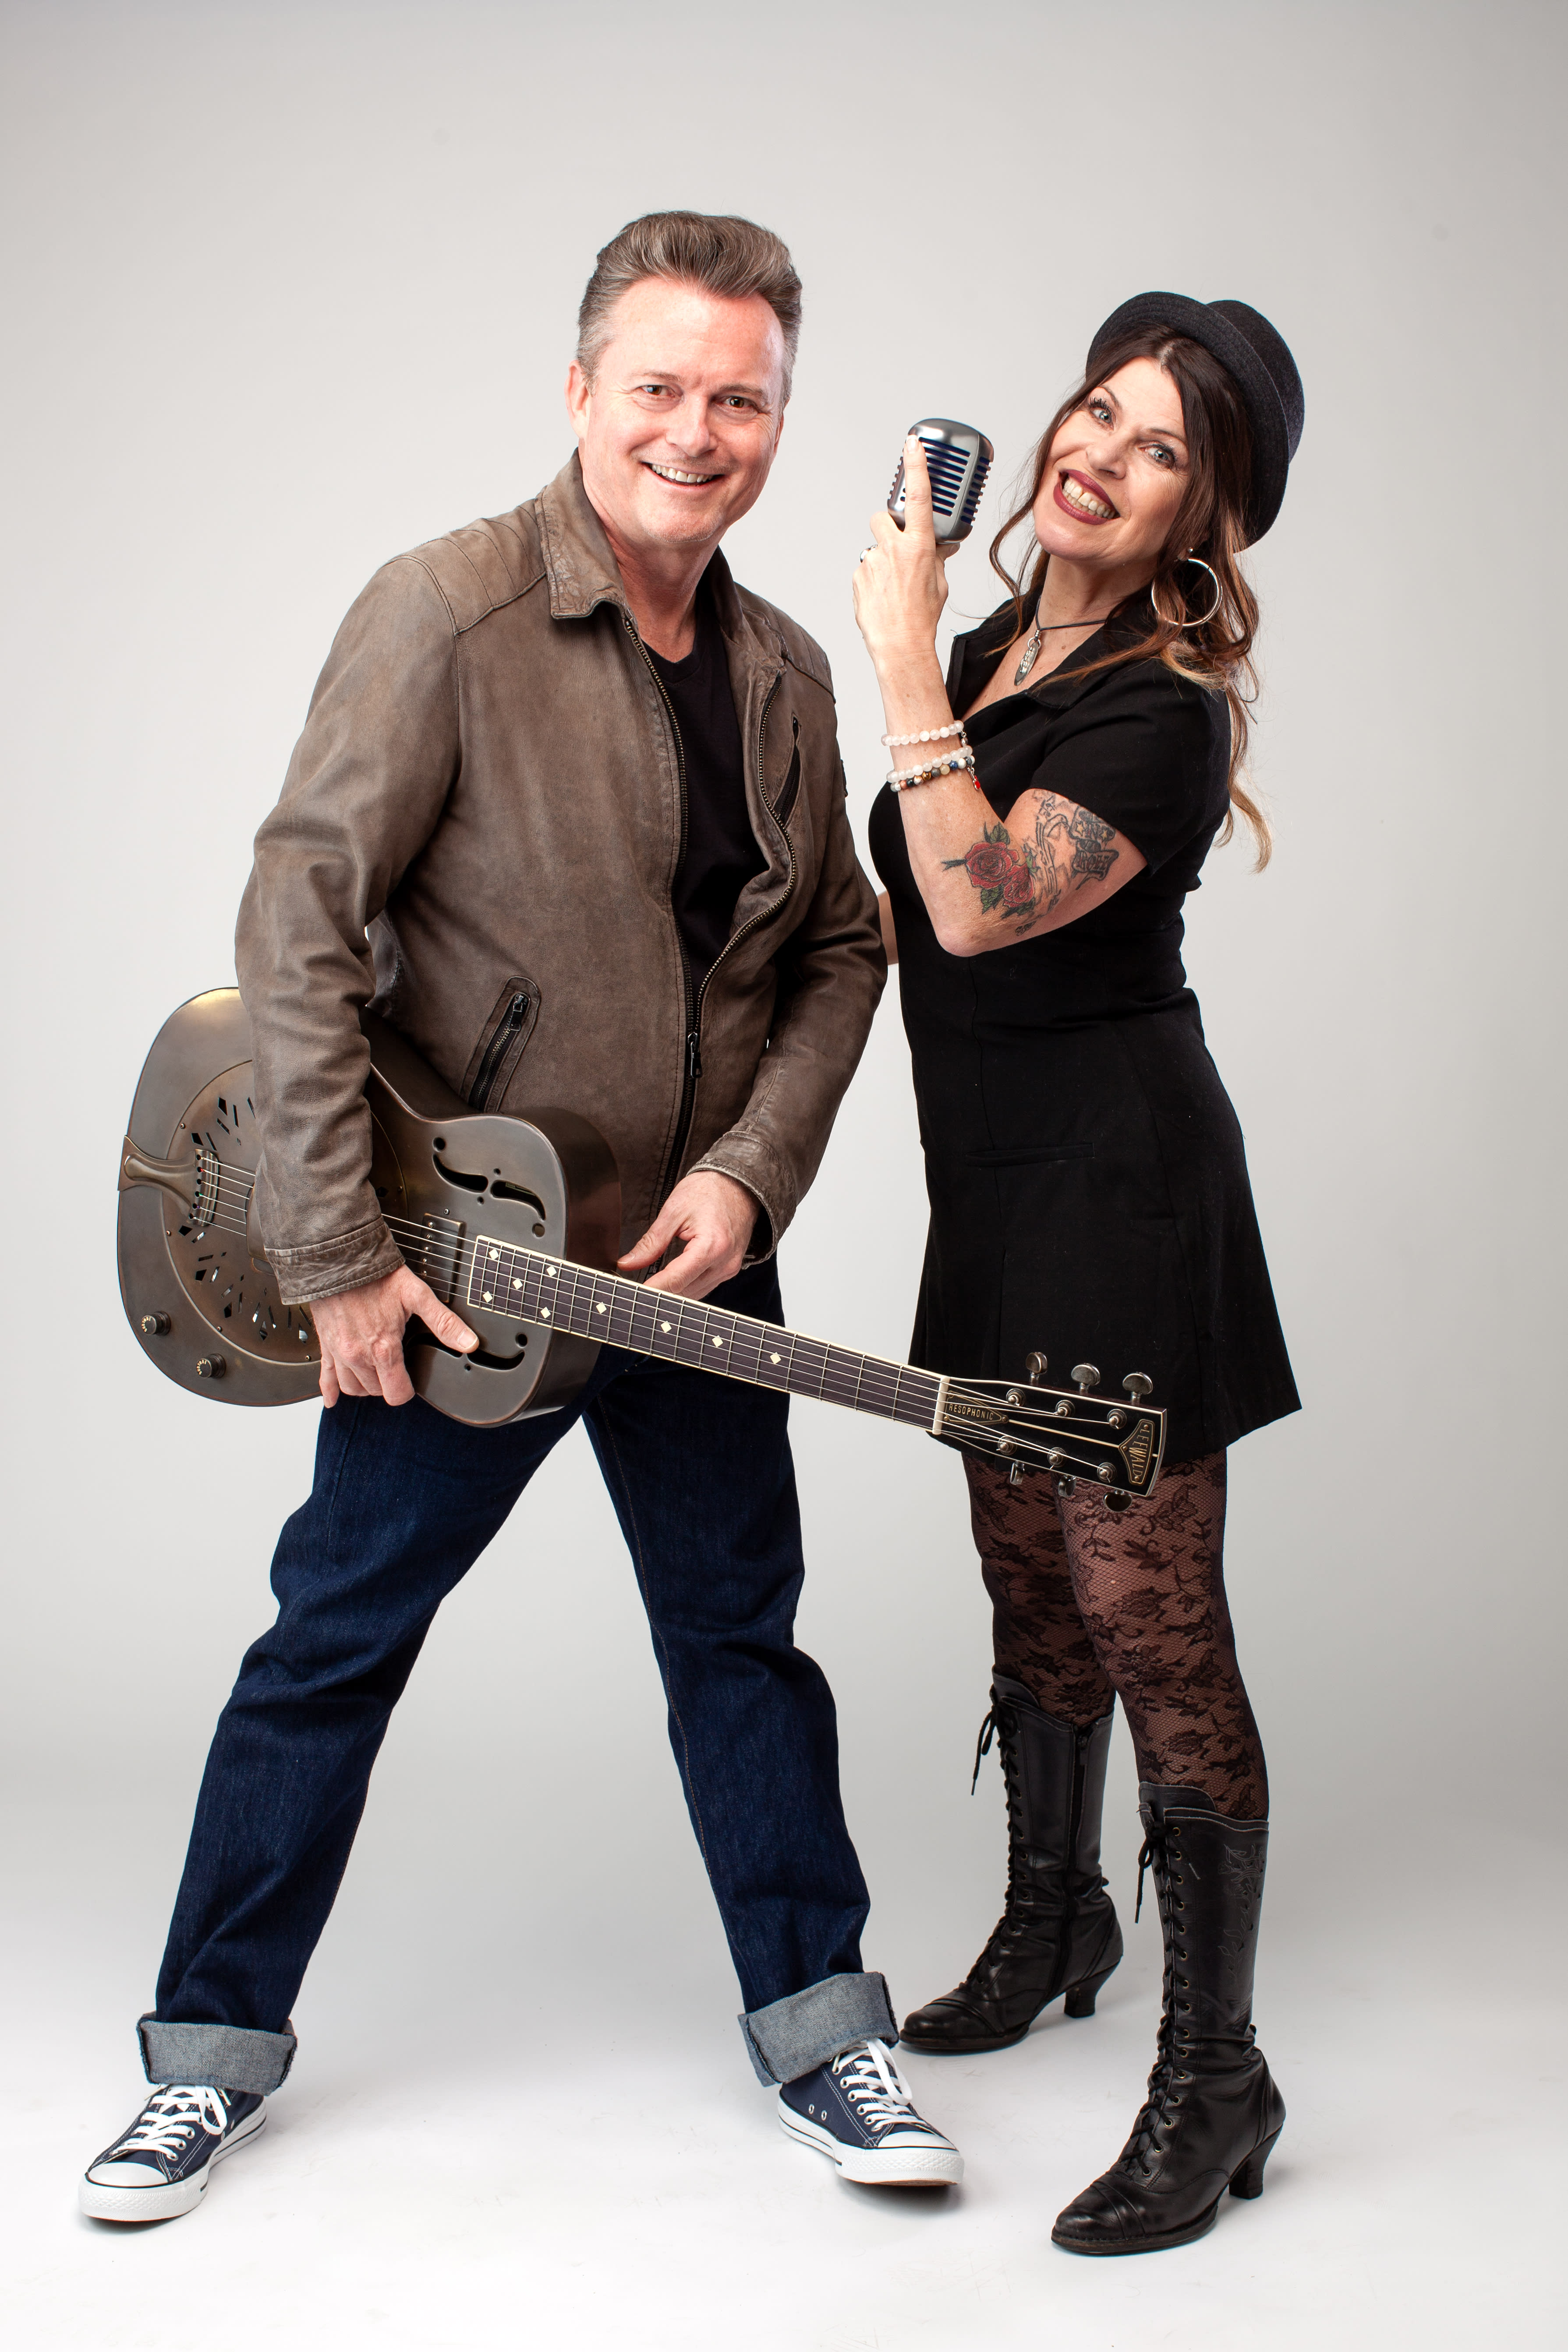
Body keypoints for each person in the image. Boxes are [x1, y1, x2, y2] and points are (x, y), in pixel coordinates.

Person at [81, 211, 963, 2225]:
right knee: (334, 1642)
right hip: (453, 1258)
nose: (695, 430)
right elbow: (298, 928)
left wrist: (751, 1174)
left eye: (740, 398)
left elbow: (844, 946)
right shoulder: (445, 611)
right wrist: (337, 1256)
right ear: (578, 392)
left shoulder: (783, 672)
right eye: (657, 386)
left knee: (741, 1643)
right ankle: (202, 2059)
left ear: (778, 421)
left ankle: (823, 2029)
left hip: (690, 1267)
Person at [850, 293, 1303, 2255]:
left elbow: (972, 905)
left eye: (1159, 449)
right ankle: (1054, 1920)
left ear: (1203, 517)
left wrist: (894, 656)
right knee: (1026, 1582)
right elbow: (888, 919)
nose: (1098, 456)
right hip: (989, 1191)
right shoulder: (982, 665)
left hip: (1123, 1200)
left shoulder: (1158, 711)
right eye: (1097, 411)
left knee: (1150, 1626)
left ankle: (1219, 2074)